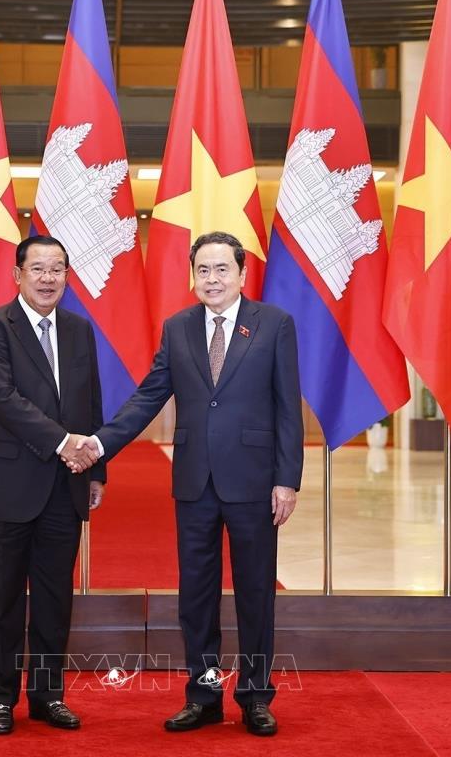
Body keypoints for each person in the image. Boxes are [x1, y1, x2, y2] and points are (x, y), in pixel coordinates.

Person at [79, 230, 303, 736]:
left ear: (242, 274)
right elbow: (148, 396)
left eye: (223, 269)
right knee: (196, 597)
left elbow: (288, 408)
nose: (213, 279)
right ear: (192, 276)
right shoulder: (177, 328)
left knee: (255, 594)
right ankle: (203, 697)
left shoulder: (274, 324)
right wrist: (99, 443)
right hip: (195, 483)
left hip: (254, 482)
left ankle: (255, 697)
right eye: (203, 270)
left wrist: (287, 479)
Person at [0, 235, 104, 735]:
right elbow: (3, 398)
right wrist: (64, 442)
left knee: (53, 599)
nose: (48, 278)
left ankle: (47, 696)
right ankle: (0, 699)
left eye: (57, 269)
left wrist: (96, 468)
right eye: (38, 268)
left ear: (67, 276)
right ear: (17, 275)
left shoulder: (79, 329)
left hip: (66, 486)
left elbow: (91, 401)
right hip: (5, 484)